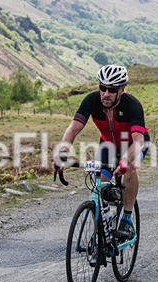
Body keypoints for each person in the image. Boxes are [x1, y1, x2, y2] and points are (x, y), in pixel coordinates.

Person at [54, 64, 149, 240]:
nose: (106, 93)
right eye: (102, 88)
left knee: (130, 168)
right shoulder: (92, 101)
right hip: (108, 145)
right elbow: (73, 129)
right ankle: (102, 225)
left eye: (111, 90)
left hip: (133, 145)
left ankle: (127, 219)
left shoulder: (133, 105)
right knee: (98, 181)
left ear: (122, 90)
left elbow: (138, 141)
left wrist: (124, 161)